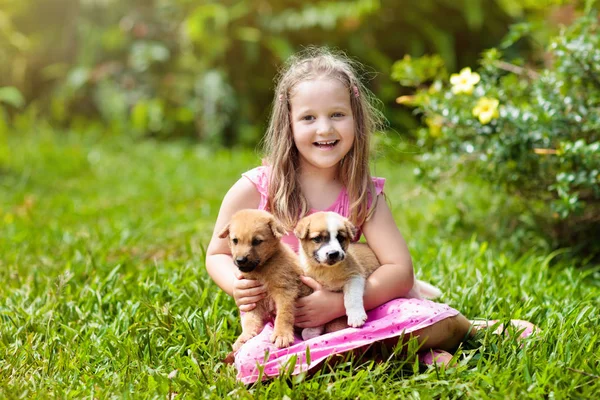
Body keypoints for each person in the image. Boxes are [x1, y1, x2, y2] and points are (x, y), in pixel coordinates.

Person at [205, 47, 536, 384]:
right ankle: (406, 350)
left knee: (426, 319)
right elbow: (217, 254)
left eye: (337, 114)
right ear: (287, 123)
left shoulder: (363, 193)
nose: (324, 129)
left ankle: (466, 329)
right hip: (285, 323)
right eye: (308, 118)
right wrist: (237, 285)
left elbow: (399, 271)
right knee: (252, 362)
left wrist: (337, 306)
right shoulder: (257, 187)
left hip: (357, 311)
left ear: (356, 119)